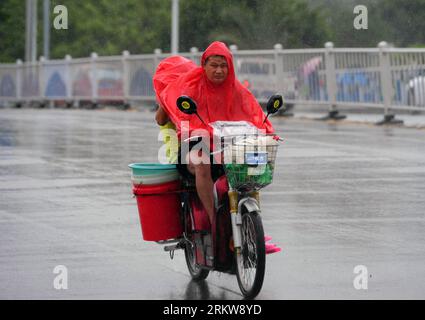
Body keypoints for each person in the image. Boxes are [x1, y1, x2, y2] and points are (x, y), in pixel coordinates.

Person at [154, 41, 274, 226]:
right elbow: (168, 113)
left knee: (253, 163)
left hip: (228, 146)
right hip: (196, 143)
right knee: (202, 163)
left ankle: (252, 221)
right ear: (204, 66)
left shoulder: (237, 90)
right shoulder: (189, 86)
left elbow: (255, 115)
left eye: (223, 66)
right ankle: (213, 221)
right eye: (214, 65)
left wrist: (266, 131)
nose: (219, 70)